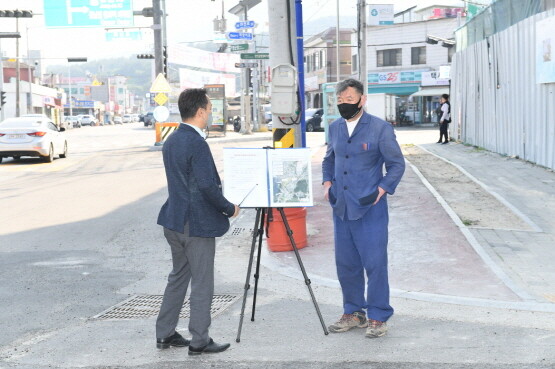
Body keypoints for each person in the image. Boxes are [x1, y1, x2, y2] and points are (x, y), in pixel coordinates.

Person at [156, 88, 240, 355]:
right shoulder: (196, 143)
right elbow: (206, 185)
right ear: (201, 111)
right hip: (196, 225)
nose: (211, 113)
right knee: (202, 282)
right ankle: (199, 340)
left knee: (178, 278)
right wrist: (229, 209)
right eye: (210, 108)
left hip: (173, 221)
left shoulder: (171, 140)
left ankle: (165, 333)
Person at [322, 79, 405, 338]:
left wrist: (381, 189)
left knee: (375, 263)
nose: (344, 104)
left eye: (349, 99)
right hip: (342, 208)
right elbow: (329, 158)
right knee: (346, 263)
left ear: (362, 99)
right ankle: (353, 313)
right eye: (340, 100)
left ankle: (378, 316)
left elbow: (396, 165)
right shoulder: (335, 128)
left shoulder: (380, 129)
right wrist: (327, 185)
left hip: (370, 208)